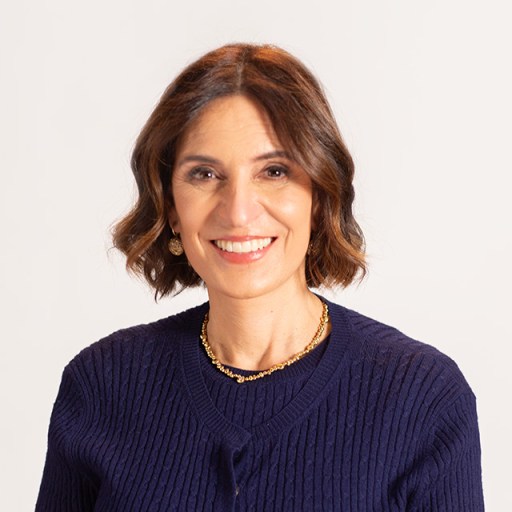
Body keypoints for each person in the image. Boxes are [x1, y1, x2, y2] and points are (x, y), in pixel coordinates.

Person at [36, 43, 484, 511]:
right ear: (170, 206)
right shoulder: (102, 384)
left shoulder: (422, 397)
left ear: (320, 193)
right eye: (205, 174)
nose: (238, 211)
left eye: (274, 171)